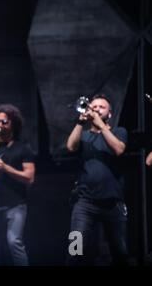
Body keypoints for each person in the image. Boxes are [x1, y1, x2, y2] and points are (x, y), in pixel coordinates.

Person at [66, 94, 129, 265]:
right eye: (93, 107)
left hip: (113, 203)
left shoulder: (119, 131)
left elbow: (119, 150)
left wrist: (101, 125)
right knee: (75, 249)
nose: (96, 109)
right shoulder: (84, 136)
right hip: (84, 202)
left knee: (120, 252)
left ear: (109, 114)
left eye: (101, 107)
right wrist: (80, 122)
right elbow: (71, 147)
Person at [0, 104, 35, 266]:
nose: (0, 126)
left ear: (13, 124)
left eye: (4, 122)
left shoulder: (23, 148)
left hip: (16, 204)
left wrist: (5, 167)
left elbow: (29, 178)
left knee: (14, 242)